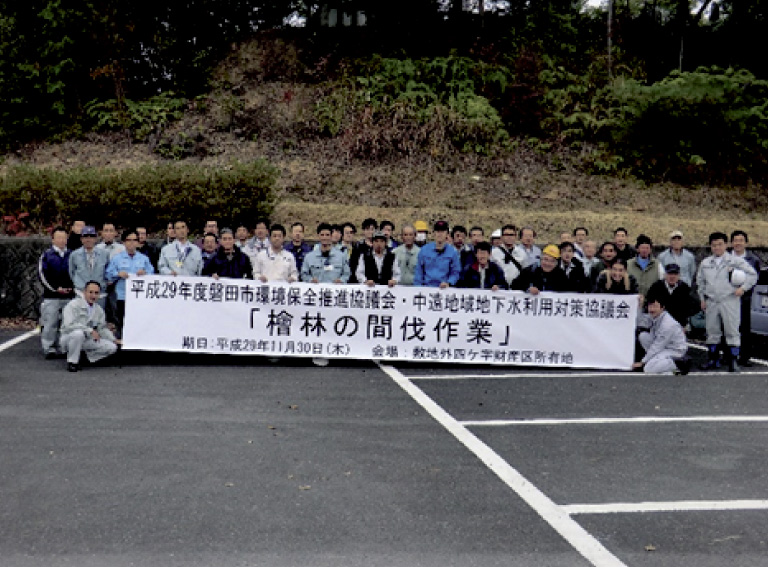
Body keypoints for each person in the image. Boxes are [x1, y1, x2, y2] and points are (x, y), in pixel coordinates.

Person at [697, 231, 758, 372]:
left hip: (730, 300)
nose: (717, 248)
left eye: (720, 244)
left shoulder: (735, 261)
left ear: (725, 245)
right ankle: (713, 359)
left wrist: (743, 288)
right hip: (712, 301)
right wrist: (702, 299)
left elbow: (752, 274)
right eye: (714, 245)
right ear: (710, 247)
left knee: (732, 331)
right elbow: (700, 282)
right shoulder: (706, 263)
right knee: (712, 332)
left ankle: (733, 361)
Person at [59, 281, 120, 372]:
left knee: (111, 347)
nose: (93, 295)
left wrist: (113, 339)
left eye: (96, 293)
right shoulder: (73, 305)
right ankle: (72, 363)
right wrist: (89, 330)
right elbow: (68, 325)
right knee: (78, 334)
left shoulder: (99, 310)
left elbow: (102, 328)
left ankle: (84, 358)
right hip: (68, 338)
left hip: (86, 340)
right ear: (84, 292)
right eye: (90, 292)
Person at [105, 228, 154, 339]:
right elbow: (108, 274)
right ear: (124, 242)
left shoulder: (144, 259)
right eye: (129, 240)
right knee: (122, 323)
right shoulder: (117, 259)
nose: (132, 243)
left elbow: (152, 273)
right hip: (122, 297)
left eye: (134, 240)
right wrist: (118, 274)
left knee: (138, 323)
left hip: (140, 297)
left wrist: (145, 273)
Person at [38, 226, 75, 357]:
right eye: (58, 237)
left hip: (70, 296)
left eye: (64, 237)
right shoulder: (46, 255)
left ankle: (64, 347)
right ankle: (49, 348)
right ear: (53, 240)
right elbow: (42, 275)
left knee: (67, 323)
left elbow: (76, 273)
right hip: (51, 296)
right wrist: (55, 289)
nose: (61, 240)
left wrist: (72, 288)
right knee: (50, 323)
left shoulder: (72, 254)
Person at [632, 294, 690, 375]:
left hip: (675, 351)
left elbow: (657, 346)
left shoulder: (667, 324)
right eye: (650, 306)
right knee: (643, 336)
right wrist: (640, 306)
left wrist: (642, 362)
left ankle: (678, 364)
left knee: (648, 369)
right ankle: (658, 361)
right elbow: (639, 322)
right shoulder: (654, 316)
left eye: (655, 306)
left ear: (662, 308)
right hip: (663, 347)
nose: (652, 309)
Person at [730, 230, 762, 366]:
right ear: (731, 243)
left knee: (744, 328)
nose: (738, 243)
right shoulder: (726, 258)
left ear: (746, 243)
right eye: (735, 240)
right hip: (728, 298)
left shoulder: (753, 260)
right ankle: (728, 356)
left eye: (741, 240)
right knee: (728, 327)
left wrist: (744, 290)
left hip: (745, 299)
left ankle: (744, 357)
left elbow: (755, 278)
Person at [68, 226, 110, 308]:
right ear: (81, 239)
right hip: (81, 293)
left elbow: (107, 271)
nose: (89, 239)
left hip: (99, 294)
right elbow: (71, 272)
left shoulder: (104, 254)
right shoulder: (74, 255)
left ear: (95, 239)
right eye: (86, 236)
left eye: (91, 236)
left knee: (98, 318)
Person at [646, 264, 697, 328]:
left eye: (675, 274)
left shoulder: (685, 288)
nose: (672, 276)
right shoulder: (656, 287)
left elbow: (693, 306)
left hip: (678, 325)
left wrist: (684, 321)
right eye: (670, 274)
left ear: (679, 276)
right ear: (665, 275)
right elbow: (649, 304)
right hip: (658, 324)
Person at [414, 221, 461, 289]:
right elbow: (419, 271)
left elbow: (455, 272)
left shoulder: (453, 252)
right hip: (426, 288)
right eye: (437, 231)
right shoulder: (424, 250)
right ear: (433, 233)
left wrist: (449, 282)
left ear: (447, 234)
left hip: (444, 289)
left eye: (442, 231)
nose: (440, 234)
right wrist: (417, 287)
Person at [626, 234, 662, 301]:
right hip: (632, 301)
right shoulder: (628, 264)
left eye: (647, 248)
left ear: (650, 250)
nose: (644, 250)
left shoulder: (658, 264)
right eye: (642, 248)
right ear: (637, 249)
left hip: (651, 302)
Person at [491, 224, 525, 288]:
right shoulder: (494, 253)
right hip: (499, 287)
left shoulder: (522, 253)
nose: (509, 237)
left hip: (517, 288)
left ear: (515, 237)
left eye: (511, 235)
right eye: (506, 235)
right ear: (501, 237)